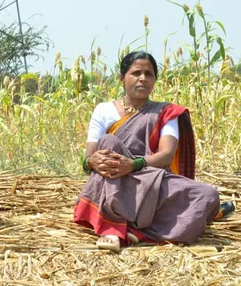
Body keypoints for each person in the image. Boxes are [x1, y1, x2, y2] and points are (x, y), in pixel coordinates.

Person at [73, 51, 221, 252]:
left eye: (148, 74)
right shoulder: (104, 110)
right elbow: (88, 158)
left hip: (150, 178)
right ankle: (112, 228)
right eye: (136, 73)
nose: (143, 78)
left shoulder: (166, 112)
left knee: (208, 195)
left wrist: (133, 165)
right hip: (113, 178)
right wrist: (91, 162)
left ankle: (139, 234)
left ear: (154, 80)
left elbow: (166, 155)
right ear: (121, 78)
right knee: (108, 142)